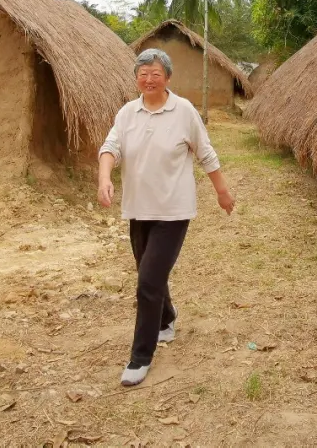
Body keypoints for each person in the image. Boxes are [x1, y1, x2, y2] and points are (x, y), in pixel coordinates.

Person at [98, 48, 235, 386]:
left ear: (168, 78)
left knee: (147, 282)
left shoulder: (183, 110)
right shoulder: (128, 113)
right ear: (136, 78)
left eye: (156, 73)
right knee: (151, 273)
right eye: (143, 73)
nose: (149, 79)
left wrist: (222, 191)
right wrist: (104, 178)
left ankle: (140, 357)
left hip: (173, 210)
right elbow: (110, 148)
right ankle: (166, 320)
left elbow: (205, 152)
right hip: (138, 208)